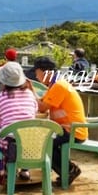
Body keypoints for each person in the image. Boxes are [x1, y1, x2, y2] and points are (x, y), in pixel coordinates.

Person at [32, 57, 85, 186]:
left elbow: (42, 107)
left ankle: (68, 171)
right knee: (45, 140)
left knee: (43, 143)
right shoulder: (56, 84)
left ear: (45, 72)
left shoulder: (59, 86)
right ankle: (68, 169)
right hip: (67, 128)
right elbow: (42, 103)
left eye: (37, 72)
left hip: (72, 130)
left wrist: (30, 90)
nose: (36, 76)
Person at [0, 60, 39, 181]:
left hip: (10, 146)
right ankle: (25, 170)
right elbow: (34, 112)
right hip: (31, 144)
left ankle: (2, 169)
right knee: (25, 133)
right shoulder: (30, 94)